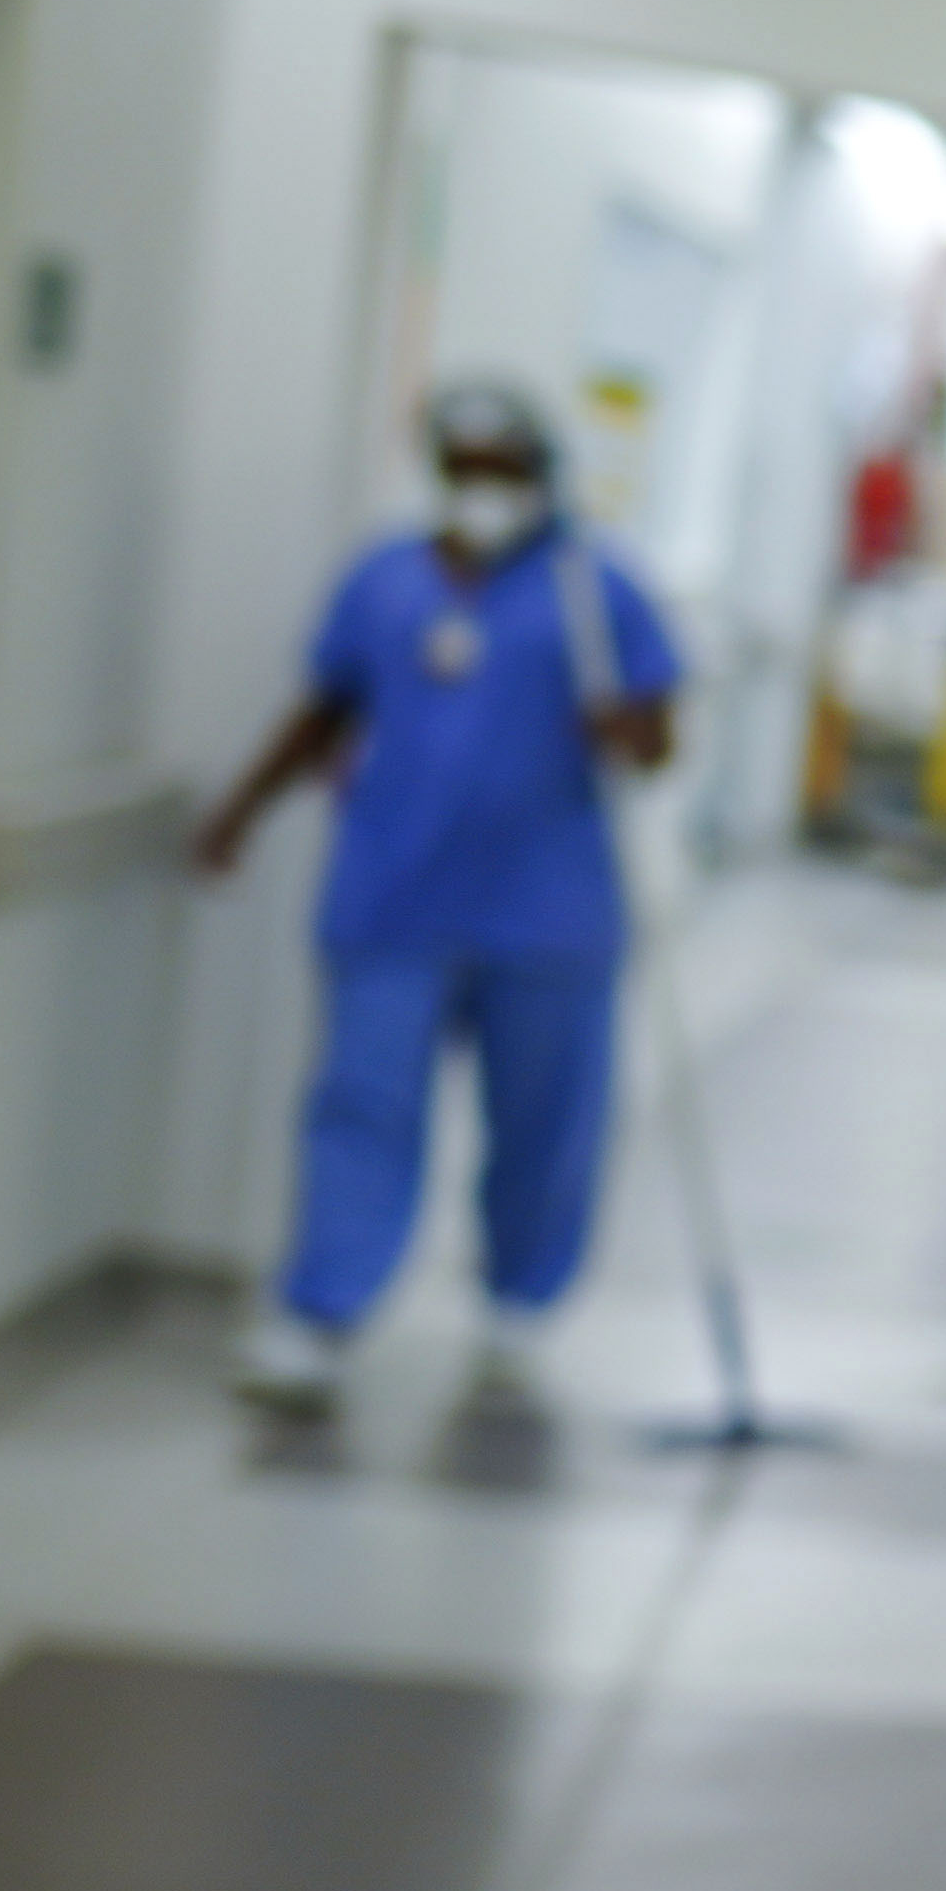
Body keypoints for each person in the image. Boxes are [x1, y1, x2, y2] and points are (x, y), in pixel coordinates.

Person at [192, 379, 684, 1413]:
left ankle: (518, 1297)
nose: (481, 492)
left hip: (547, 916)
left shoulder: (597, 589)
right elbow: (324, 710)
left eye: (502, 473)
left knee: (544, 1121)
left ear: (541, 477)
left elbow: (654, 741)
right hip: (393, 898)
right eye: (462, 473)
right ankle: (323, 1309)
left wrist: (619, 726)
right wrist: (238, 812)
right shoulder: (382, 583)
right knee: (361, 1108)